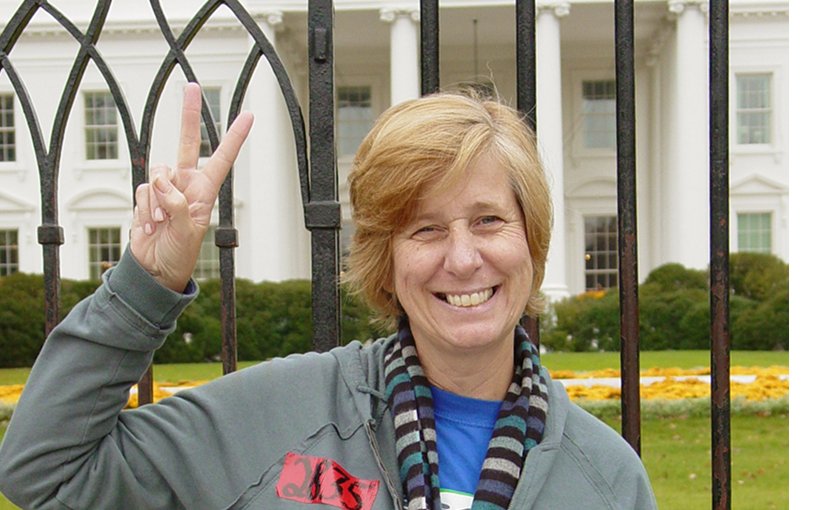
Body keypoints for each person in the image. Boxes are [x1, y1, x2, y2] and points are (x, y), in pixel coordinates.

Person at [0, 83, 657, 509]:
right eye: (424, 228)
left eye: (488, 221)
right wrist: (147, 281)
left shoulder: (605, 480)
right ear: (386, 258)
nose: (462, 258)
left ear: (530, 241)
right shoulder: (280, 414)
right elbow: (46, 473)